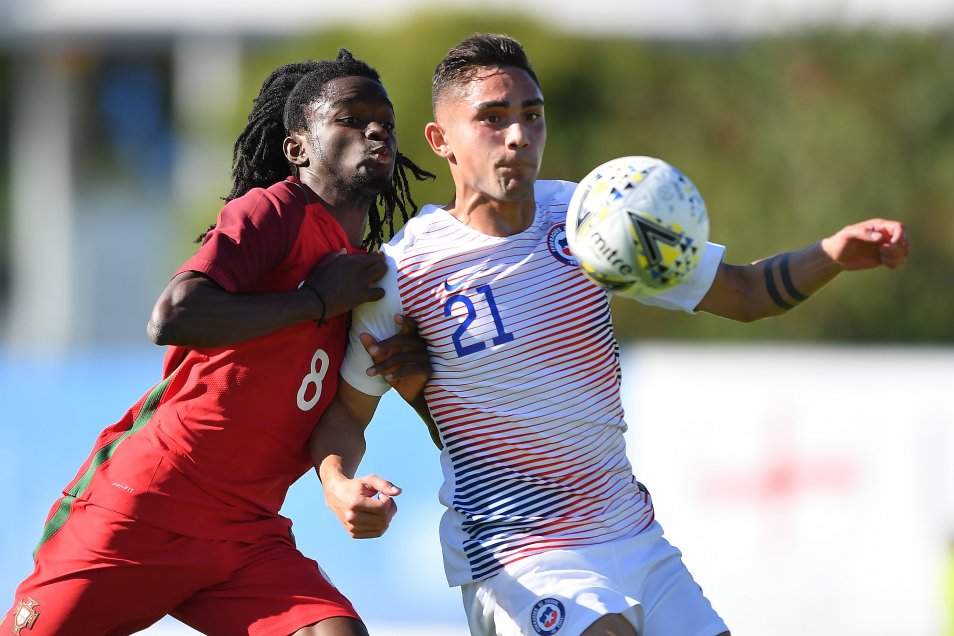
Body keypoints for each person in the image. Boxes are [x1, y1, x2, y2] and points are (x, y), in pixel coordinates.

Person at [310, 34, 910, 636]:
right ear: (440, 140)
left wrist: (831, 253)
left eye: (531, 116)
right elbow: (345, 413)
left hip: (634, 536)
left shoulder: (591, 217)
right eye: (492, 119)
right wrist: (338, 484)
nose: (518, 136)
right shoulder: (403, 273)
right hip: (519, 553)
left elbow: (746, 293)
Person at [2, 50, 434, 636]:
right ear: (297, 148)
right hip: (145, 505)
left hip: (245, 531)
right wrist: (313, 302)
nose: (377, 129)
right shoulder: (274, 209)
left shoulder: (370, 280)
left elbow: (340, 415)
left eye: (384, 119)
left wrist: (336, 480)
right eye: (351, 118)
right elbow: (174, 314)